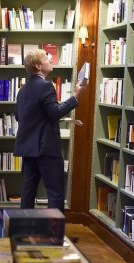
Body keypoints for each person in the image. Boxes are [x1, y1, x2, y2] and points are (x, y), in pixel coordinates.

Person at [13, 49, 87, 210]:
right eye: (47, 59)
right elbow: (54, 113)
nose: (51, 60)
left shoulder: (22, 90)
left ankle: (26, 230)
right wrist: (76, 96)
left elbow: (19, 116)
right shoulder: (46, 86)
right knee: (55, 193)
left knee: (27, 192)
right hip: (46, 148)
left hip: (28, 148)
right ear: (38, 66)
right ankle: (53, 233)